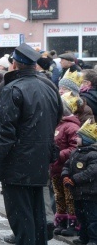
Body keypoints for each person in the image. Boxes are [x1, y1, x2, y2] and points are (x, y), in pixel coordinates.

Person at [0, 43, 63, 245]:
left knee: (21, 214)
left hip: (18, 160)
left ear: (15, 63)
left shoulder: (13, 88)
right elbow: (57, 117)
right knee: (37, 212)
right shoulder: (48, 85)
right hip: (39, 158)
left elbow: (4, 131)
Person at [62, 118, 97, 245]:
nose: (76, 139)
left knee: (92, 217)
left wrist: (74, 179)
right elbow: (67, 165)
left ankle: (94, 238)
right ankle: (83, 237)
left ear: (87, 140)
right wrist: (65, 175)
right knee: (81, 216)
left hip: (90, 193)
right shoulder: (75, 152)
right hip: (78, 192)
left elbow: (91, 172)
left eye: (79, 137)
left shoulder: (93, 155)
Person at [50, 93, 80, 236]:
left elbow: (74, 148)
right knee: (59, 195)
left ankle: (72, 223)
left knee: (69, 196)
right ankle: (61, 220)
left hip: (66, 168)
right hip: (55, 168)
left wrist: (60, 155)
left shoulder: (71, 127)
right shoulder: (56, 124)